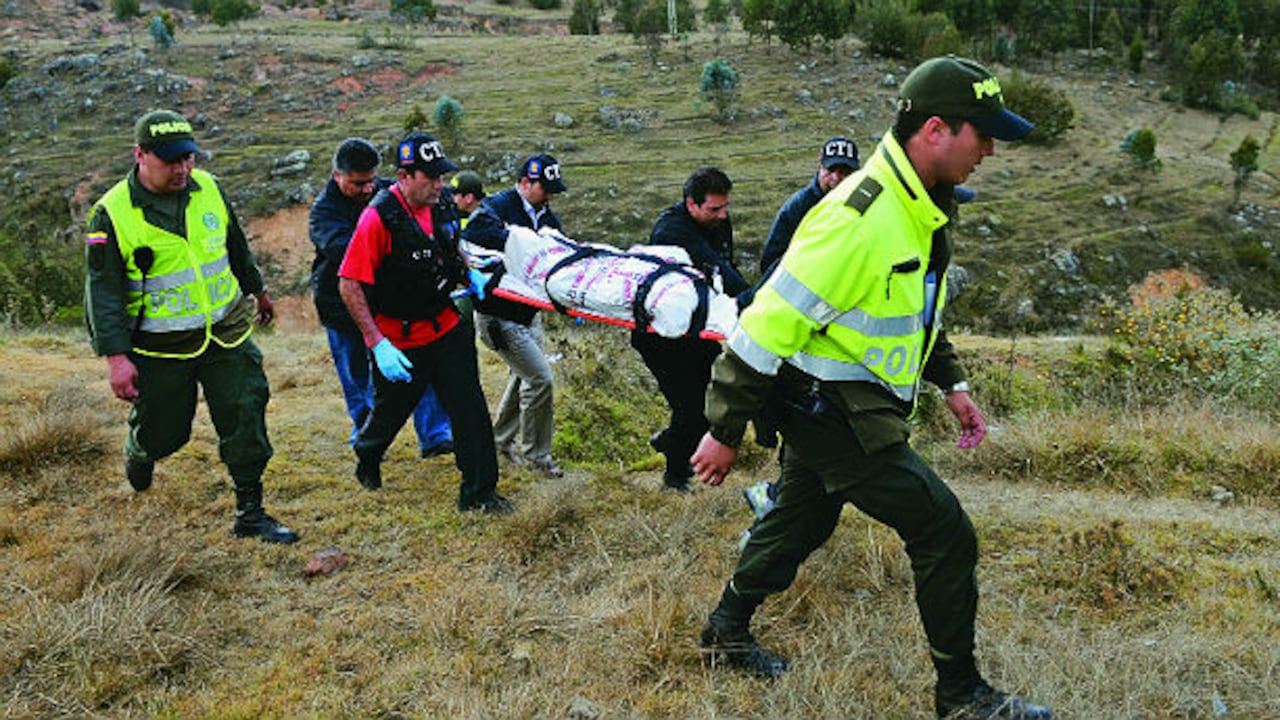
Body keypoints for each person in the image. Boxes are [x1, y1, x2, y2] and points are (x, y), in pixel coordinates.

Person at [690, 56, 1053, 719]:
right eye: (983, 133)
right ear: (937, 130)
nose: (991, 149)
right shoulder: (858, 218)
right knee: (945, 532)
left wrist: (953, 384)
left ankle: (724, 631)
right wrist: (722, 429)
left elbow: (909, 316)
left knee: (801, 518)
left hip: (836, 405)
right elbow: (765, 323)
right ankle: (962, 697)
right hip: (835, 414)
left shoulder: (918, 209)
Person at [84, 108, 298, 544]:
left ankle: (250, 511)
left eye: (188, 158)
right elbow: (102, 291)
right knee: (167, 432)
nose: (183, 168)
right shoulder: (111, 214)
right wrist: (116, 358)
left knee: (245, 413)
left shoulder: (210, 190)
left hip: (225, 333)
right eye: (170, 160)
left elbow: (235, 247)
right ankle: (141, 450)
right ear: (140, 154)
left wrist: (257, 290)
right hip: (160, 347)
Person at [337, 131, 512, 514]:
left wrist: (470, 274)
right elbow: (349, 284)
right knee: (390, 413)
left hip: (447, 327)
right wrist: (376, 342)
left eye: (441, 176)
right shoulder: (377, 220)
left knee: (470, 411)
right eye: (429, 177)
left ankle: (480, 495)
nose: (439, 184)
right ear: (404, 175)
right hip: (400, 340)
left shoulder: (443, 202)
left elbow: (450, 245)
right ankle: (368, 452)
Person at [309, 137, 454, 459]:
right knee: (357, 376)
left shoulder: (388, 193)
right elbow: (349, 256)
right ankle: (368, 438)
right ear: (337, 176)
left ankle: (435, 436)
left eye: (371, 181)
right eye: (358, 183)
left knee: (420, 367)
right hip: (341, 307)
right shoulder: (324, 213)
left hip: (392, 306)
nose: (366, 189)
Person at [742, 136, 861, 525]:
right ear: (819, 168)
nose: (838, 178)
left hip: (836, 322)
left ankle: (787, 491)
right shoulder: (797, 207)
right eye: (832, 170)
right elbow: (771, 262)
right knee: (797, 398)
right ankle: (780, 494)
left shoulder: (860, 208)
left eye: (846, 172)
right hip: (797, 320)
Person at [633, 166, 749, 492]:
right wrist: (754, 300)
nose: (723, 215)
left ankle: (673, 443)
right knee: (690, 405)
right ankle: (675, 474)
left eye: (725, 207)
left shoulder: (718, 222)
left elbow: (727, 265)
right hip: (663, 336)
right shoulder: (672, 232)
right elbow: (719, 270)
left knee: (711, 397)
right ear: (691, 204)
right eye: (714, 209)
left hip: (699, 330)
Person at [461, 154, 567, 478]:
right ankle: (537, 457)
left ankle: (499, 440)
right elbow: (477, 231)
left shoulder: (549, 217)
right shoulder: (496, 207)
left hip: (529, 315)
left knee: (523, 375)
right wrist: (516, 243)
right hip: (498, 316)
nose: (549, 196)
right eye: (544, 189)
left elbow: (559, 252)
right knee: (540, 379)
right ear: (525, 183)